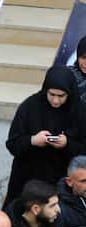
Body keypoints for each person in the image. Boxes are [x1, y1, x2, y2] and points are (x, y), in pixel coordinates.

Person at [7, 66, 86, 200]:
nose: (55, 101)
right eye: (52, 94)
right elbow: (13, 144)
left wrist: (67, 144)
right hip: (28, 178)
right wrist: (33, 141)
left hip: (63, 181)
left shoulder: (79, 111)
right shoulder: (30, 106)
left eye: (61, 96)